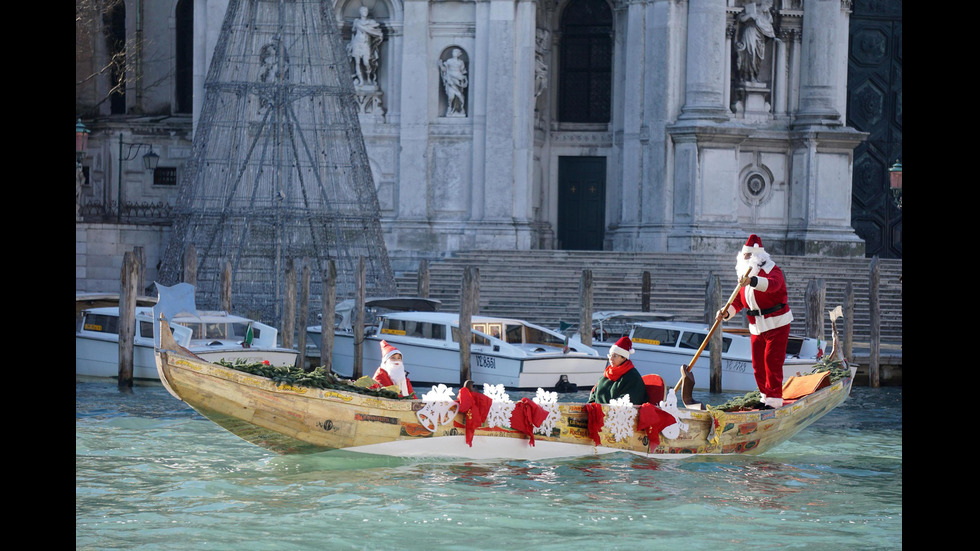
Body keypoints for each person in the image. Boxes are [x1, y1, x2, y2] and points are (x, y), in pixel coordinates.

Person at [718, 234, 792, 409]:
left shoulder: (773, 270)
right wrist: (725, 312)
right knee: (758, 364)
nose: (744, 258)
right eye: (743, 255)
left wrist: (752, 281)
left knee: (771, 361)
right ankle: (765, 396)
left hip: (777, 323)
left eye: (747, 255)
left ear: (756, 256)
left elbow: (773, 285)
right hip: (756, 326)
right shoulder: (744, 275)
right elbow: (738, 301)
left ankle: (774, 399)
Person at [587, 336, 648, 405]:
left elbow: (631, 399)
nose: (611, 359)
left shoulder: (633, 377)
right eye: (610, 355)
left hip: (616, 413)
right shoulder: (607, 375)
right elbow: (594, 396)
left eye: (615, 356)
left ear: (624, 358)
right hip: (598, 412)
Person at [734, 0, 775, 84]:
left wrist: (774, 38)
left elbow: (769, 28)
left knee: (758, 57)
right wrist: (750, 15)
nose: (769, 8)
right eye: (768, 5)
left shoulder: (766, 16)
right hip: (749, 33)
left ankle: (754, 75)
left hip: (759, 39)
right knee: (750, 53)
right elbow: (740, 19)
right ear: (764, 4)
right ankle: (748, 76)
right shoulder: (752, 9)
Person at [347, 6, 384, 86]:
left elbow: (377, 27)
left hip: (365, 44)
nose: (365, 12)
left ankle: (368, 78)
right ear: (360, 12)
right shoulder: (356, 21)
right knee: (357, 62)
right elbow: (353, 31)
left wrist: (367, 26)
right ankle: (361, 81)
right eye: (363, 10)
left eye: (366, 10)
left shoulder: (371, 21)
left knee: (366, 62)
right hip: (357, 43)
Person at [440, 48, 468, 117]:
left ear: (458, 54)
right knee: (451, 96)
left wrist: (464, 79)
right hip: (450, 79)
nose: (454, 53)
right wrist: (441, 65)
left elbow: (463, 71)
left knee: (459, 95)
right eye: (453, 52)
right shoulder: (449, 61)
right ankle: (450, 108)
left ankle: (460, 109)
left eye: (455, 52)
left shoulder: (461, 62)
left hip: (458, 79)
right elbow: (445, 70)